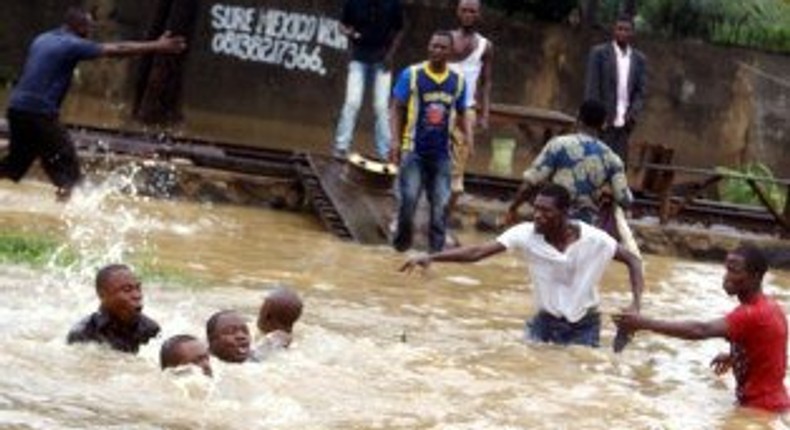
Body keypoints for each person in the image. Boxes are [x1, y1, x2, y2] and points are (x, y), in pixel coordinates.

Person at [401, 184, 643, 347]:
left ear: (564, 213)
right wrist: (431, 257)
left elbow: (633, 260)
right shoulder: (525, 234)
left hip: (584, 325)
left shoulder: (594, 239)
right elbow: (477, 252)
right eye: (535, 208)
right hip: (545, 321)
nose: (537, 215)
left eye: (545, 211)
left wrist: (635, 304)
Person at [0, 7, 186, 201]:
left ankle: (63, 202)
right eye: (88, 28)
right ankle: (65, 217)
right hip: (40, 114)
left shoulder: (42, 38)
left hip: (16, 109)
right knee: (70, 173)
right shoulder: (73, 44)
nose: (90, 33)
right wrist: (158, 46)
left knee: (14, 165)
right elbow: (118, 49)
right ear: (80, 28)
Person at [613, 245, 790, 413]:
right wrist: (734, 357)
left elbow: (701, 330)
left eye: (734, 271)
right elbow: (770, 351)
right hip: (770, 404)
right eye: (726, 269)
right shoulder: (770, 306)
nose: (726, 277)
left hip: (761, 409)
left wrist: (644, 323)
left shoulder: (751, 313)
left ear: (755, 276)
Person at [390, 30, 471, 253]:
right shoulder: (412, 74)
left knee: (440, 207)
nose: (436, 50)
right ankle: (399, 248)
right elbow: (396, 107)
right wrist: (395, 141)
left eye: (442, 47)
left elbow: (463, 113)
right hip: (413, 150)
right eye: (433, 46)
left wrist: (469, 141)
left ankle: (435, 256)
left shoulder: (457, 82)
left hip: (442, 154)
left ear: (451, 52)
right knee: (408, 202)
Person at [505, 99, 632, 227]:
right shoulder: (611, 158)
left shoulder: (558, 145)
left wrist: (513, 208)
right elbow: (625, 200)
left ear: (578, 118)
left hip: (552, 221)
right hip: (585, 225)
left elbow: (530, 183)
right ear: (604, 124)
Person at [332, 0, 404, 161]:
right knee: (352, 102)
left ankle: (385, 153)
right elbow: (342, 25)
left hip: (382, 60)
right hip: (358, 58)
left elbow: (399, 30)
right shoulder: (353, 3)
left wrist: (390, 55)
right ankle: (341, 148)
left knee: (380, 107)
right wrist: (350, 33)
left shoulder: (393, 4)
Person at [447, 0, 494, 218]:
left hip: (466, 111)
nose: (468, 15)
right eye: (464, 10)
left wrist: (484, 114)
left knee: (458, 170)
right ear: (458, 12)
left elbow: (486, 82)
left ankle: (443, 215)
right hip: (440, 107)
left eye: (472, 11)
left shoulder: (485, 46)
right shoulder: (445, 40)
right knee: (432, 158)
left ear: (479, 15)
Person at [584, 14, 646, 166]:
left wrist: (632, 116)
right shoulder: (599, 53)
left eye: (627, 30)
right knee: (596, 165)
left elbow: (640, 91)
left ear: (632, 33)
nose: (623, 33)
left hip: (624, 124)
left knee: (618, 167)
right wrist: (596, 119)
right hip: (602, 122)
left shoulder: (639, 59)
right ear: (614, 31)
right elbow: (592, 88)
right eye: (619, 29)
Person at [67, 264, 160, 354]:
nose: (137, 295)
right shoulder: (84, 333)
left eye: (138, 288)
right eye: (127, 290)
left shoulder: (150, 329)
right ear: (102, 294)